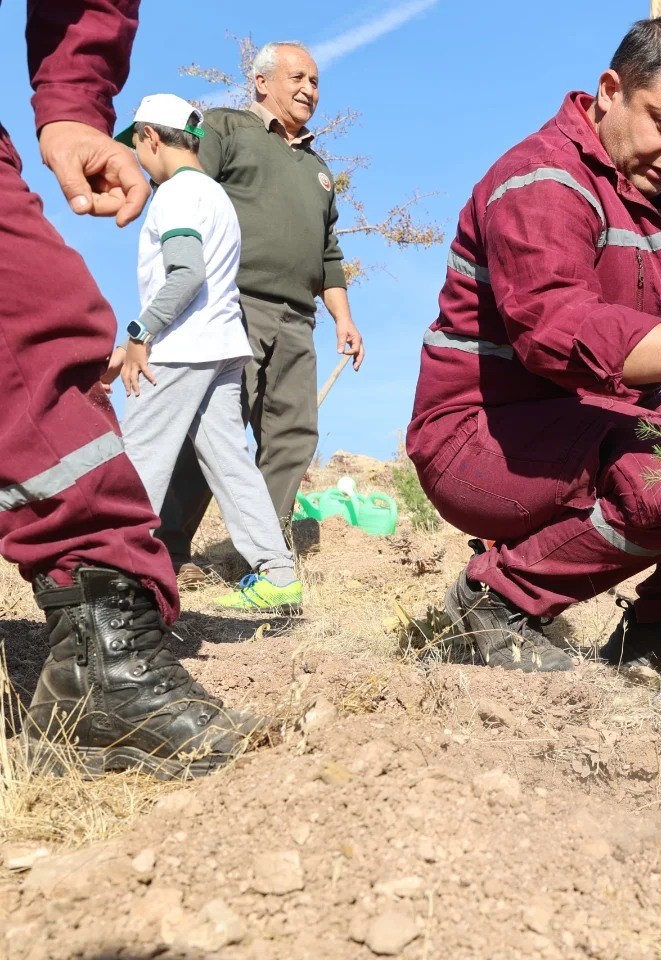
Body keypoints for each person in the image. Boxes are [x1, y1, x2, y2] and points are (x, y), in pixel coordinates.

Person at [407, 17, 661, 684]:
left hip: (581, 424)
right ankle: (496, 601)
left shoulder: (637, 182)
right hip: (478, 442)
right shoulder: (540, 181)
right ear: (609, 90)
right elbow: (562, 330)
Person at [0, 2, 254, 778]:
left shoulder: (193, 196)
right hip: (186, 353)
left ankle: (101, 649)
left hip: (204, 353)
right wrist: (141, 332)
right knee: (42, 322)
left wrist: (74, 101)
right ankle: (104, 644)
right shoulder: (194, 195)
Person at [158, 41, 363, 586]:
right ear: (261, 80)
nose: (310, 90)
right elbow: (189, 192)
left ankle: (263, 562)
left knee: (295, 434)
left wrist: (343, 317)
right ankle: (162, 550)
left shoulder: (318, 169)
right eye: (299, 77)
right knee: (212, 428)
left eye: (316, 82)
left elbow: (328, 253)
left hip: (299, 319)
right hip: (232, 304)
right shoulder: (227, 127)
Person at [105, 94, 303, 613]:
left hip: (178, 348)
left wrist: (139, 332)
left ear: (151, 137)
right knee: (230, 463)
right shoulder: (216, 195)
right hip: (222, 347)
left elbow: (186, 273)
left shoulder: (173, 195)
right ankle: (279, 575)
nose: (139, 157)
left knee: (140, 461)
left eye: (138, 144)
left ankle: (123, 583)